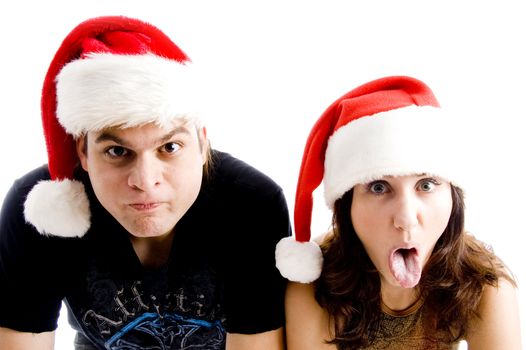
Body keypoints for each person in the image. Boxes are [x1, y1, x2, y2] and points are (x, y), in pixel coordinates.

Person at [0, 16, 290, 350]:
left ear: (202, 142)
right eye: (117, 151)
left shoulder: (252, 205)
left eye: (169, 147)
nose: (145, 180)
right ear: (83, 151)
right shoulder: (40, 210)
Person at [275, 76, 522, 349]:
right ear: (348, 205)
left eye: (426, 185)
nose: (406, 218)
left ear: (453, 196)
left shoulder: (484, 284)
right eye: (379, 187)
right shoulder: (313, 285)